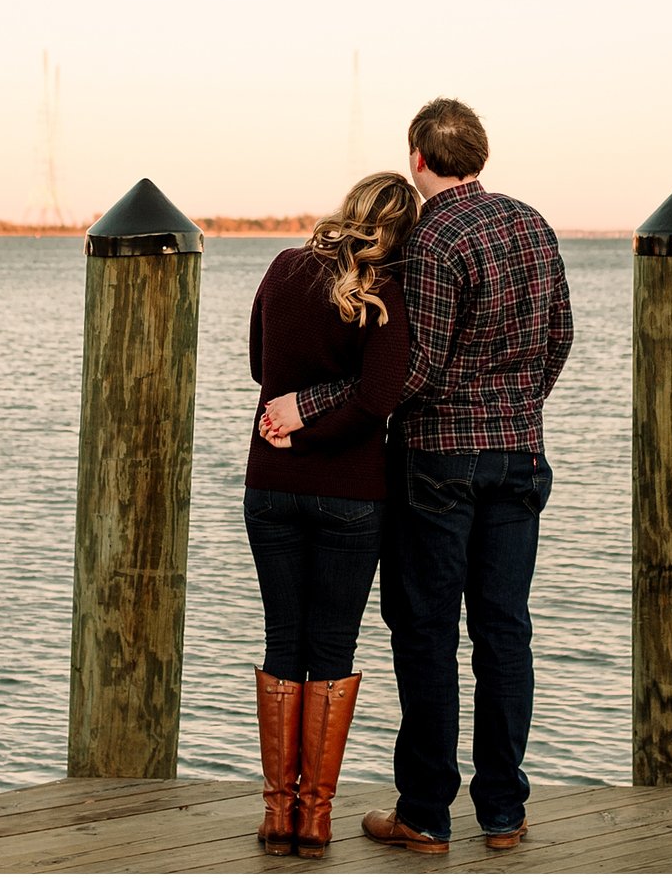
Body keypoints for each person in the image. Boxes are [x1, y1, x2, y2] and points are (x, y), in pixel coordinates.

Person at [260, 98, 573, 856]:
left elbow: (410, 370)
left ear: (419, 159)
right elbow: (560, 336)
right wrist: (517, 406)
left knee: (427, 632)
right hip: (521, 456)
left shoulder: (432, 236)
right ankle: (502, 810)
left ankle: (426, 812)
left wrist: (311, 401)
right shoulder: (533, 222)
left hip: (439, 461)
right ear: (480, 154)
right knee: (506, 632)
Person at [245, 171, 420, 857]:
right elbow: (377, 402)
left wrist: (292, 426)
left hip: (272, 480)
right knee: (332, 647)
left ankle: (277, 812)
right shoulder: (386, 291)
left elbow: (261, 363)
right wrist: (317, 429)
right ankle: (314, 816)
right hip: (351, 491)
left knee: (282, 637)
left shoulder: (284, 266)